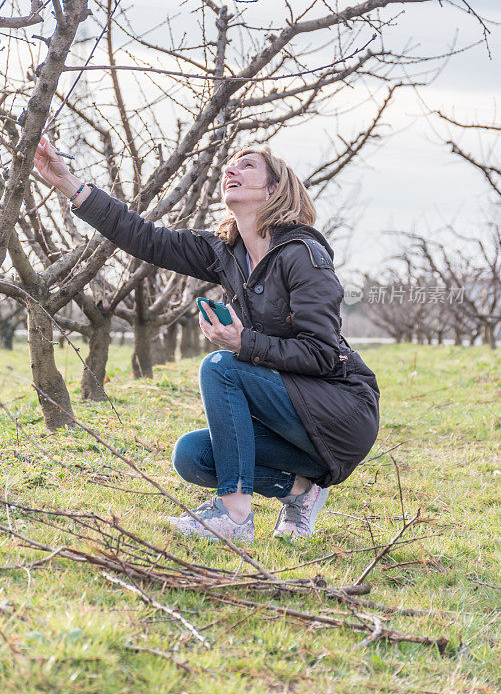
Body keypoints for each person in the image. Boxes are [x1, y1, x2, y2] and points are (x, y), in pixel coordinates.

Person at [33, 137, 380, 544]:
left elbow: (322, 354)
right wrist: (67, 183)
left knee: (221, 367)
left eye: (246, 165)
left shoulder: (303, 254)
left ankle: (233, 516)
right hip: (292, 415)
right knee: (193, 456)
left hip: (341, 413)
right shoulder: (226, 252)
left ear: (274, 189)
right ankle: (302, 493)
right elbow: (145, 237)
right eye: (229, 165)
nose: (230, 170)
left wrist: (242, 342)